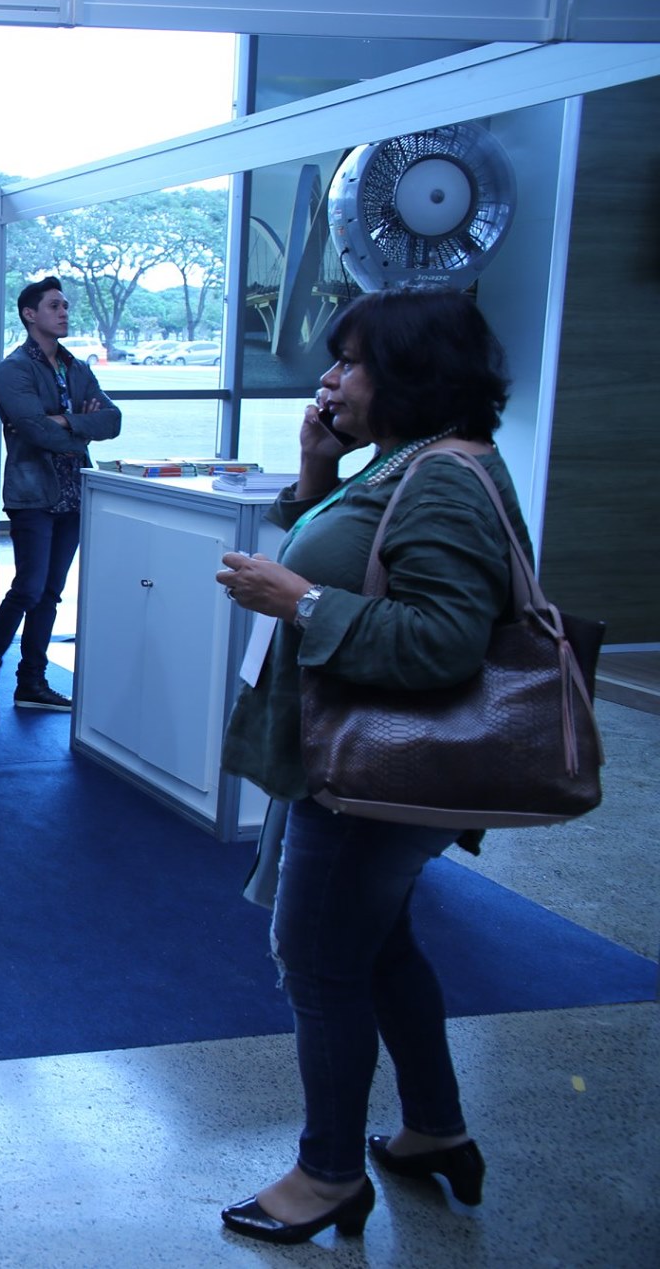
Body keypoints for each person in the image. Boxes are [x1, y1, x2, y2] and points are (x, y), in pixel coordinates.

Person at [214, 286, 515, 1244]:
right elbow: (345, 554)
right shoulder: (405, 460)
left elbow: (444, 640)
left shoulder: (443, 478)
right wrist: (316, 471)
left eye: (350, 362)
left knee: (318, 960)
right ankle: (434, 1131)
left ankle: (330, 1174)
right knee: (378, 945)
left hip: (377, 774)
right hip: (356, 760)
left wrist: (298, 603)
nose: (330, 379)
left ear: (412, 374)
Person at [0, 276, 121, 722]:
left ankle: (31, 682)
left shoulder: (74, 367)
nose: (64, 312)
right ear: (29, 314)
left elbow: (113, 420)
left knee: (52, 593)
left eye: (66, 305)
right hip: (32, 494)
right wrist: (78, 426)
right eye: (55, 305)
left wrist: (64, 421)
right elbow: (33, 430)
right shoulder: (14, 370)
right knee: (28, 588)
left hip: (73, 495)